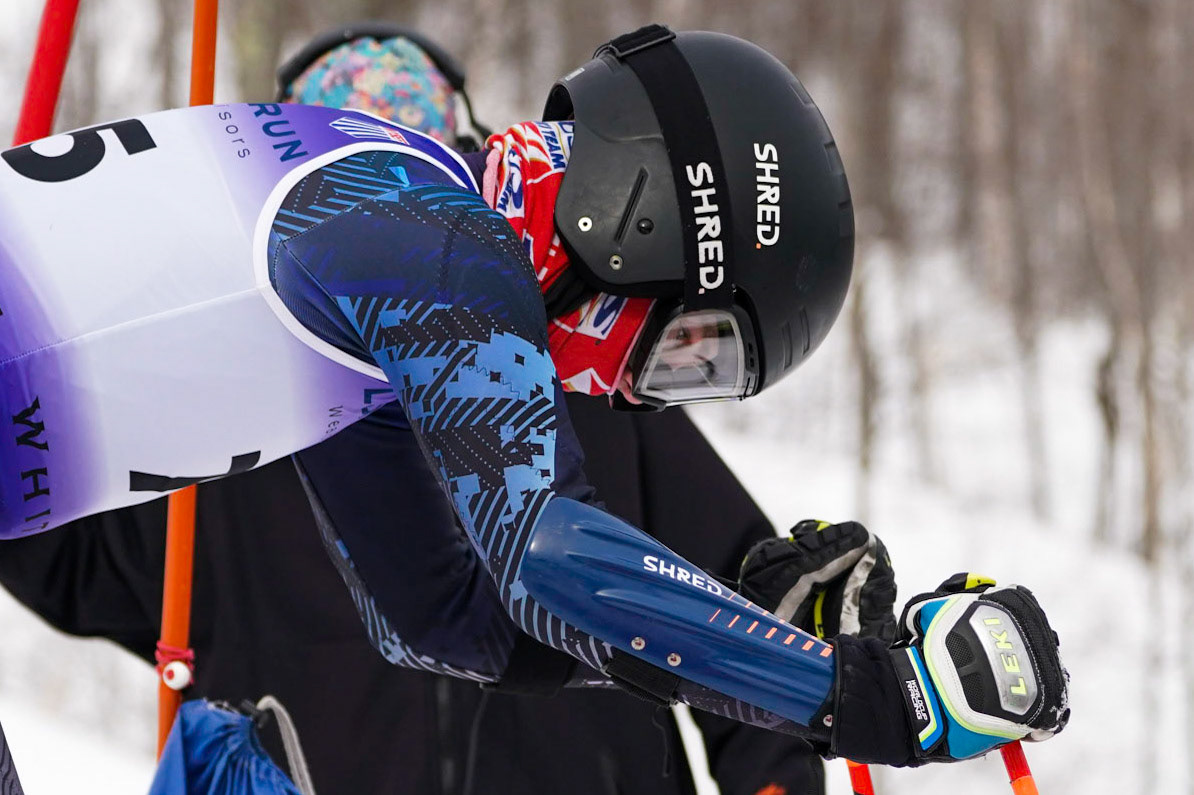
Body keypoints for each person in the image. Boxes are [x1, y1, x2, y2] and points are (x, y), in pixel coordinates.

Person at [0, 23, 1068, 766]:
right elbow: (549, 554)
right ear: (638, 225)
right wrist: (876, 696)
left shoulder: (380, 264)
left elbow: (443, 617)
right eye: (687, 354)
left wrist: (759, 643)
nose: (641, 400)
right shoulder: (426, 222)